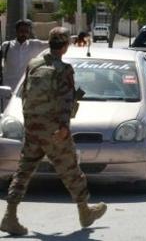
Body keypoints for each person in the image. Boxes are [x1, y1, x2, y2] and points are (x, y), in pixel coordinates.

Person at [1, 27, 107, 236]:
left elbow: (24, 96)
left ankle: (9, 216)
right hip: (53, 130)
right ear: (65, 46)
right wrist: (63, 128)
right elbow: (67, 101)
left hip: (32, 128)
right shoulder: (64, 69)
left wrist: (31, 123)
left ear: (50, 43)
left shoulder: (33, 64)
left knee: (23, 171)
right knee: (71, 170)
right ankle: (85, 211)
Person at [1, 19, 49, 94]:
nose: (24, 34)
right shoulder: (6, 46)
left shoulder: (35, 45)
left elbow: (54, 43)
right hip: (8, 90)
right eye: (21, 31)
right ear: (16, 31)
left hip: (26, 90)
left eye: (27, 31)